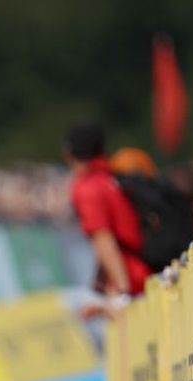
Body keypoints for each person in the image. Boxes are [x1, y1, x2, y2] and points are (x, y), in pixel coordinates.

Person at [64, 123, 150, 299]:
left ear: (70, 155)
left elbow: (104, 239)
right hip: (147, 269)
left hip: (132, 278)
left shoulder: (87, 188)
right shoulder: (112, 178)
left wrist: (122, 292)